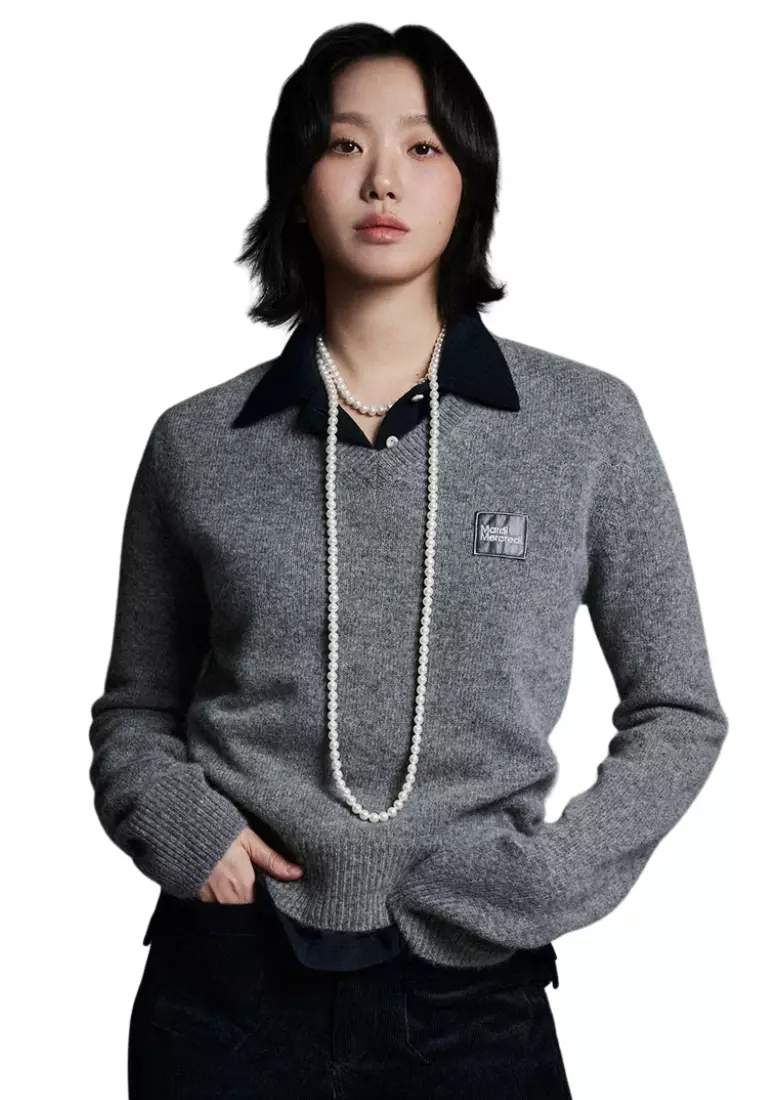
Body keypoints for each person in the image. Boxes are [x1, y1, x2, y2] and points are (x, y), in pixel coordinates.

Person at [88, 22, 728, 1100]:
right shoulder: (195, 443)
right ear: (297, 187)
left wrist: (545, 879)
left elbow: (680, 709)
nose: (383, 178)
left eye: (424, 147)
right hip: (227, 988)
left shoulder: (585, 425)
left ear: (470, 184)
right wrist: (185, 826)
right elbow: (136, 709)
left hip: (474, 997)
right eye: (345, 145)